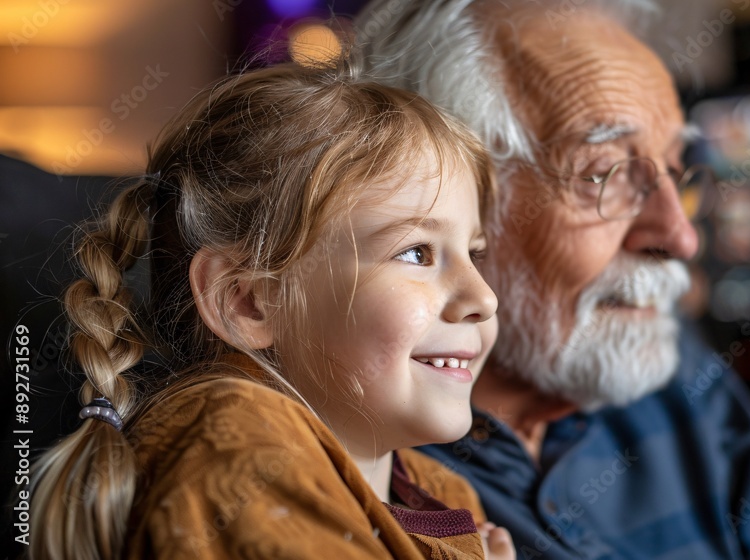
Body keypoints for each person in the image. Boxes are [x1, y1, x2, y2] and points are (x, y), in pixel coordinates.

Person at [356, 0, 750, 557]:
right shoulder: (354, 462)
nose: (680, 237)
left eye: (675, 171)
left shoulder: (670, 363)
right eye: (603, 174)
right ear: (438, 193)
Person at [27, 58, 515, 559]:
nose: (484, 298)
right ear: (249, 302)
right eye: (417, 253)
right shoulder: (234, 440)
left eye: (475, 254)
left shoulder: (445, 493)